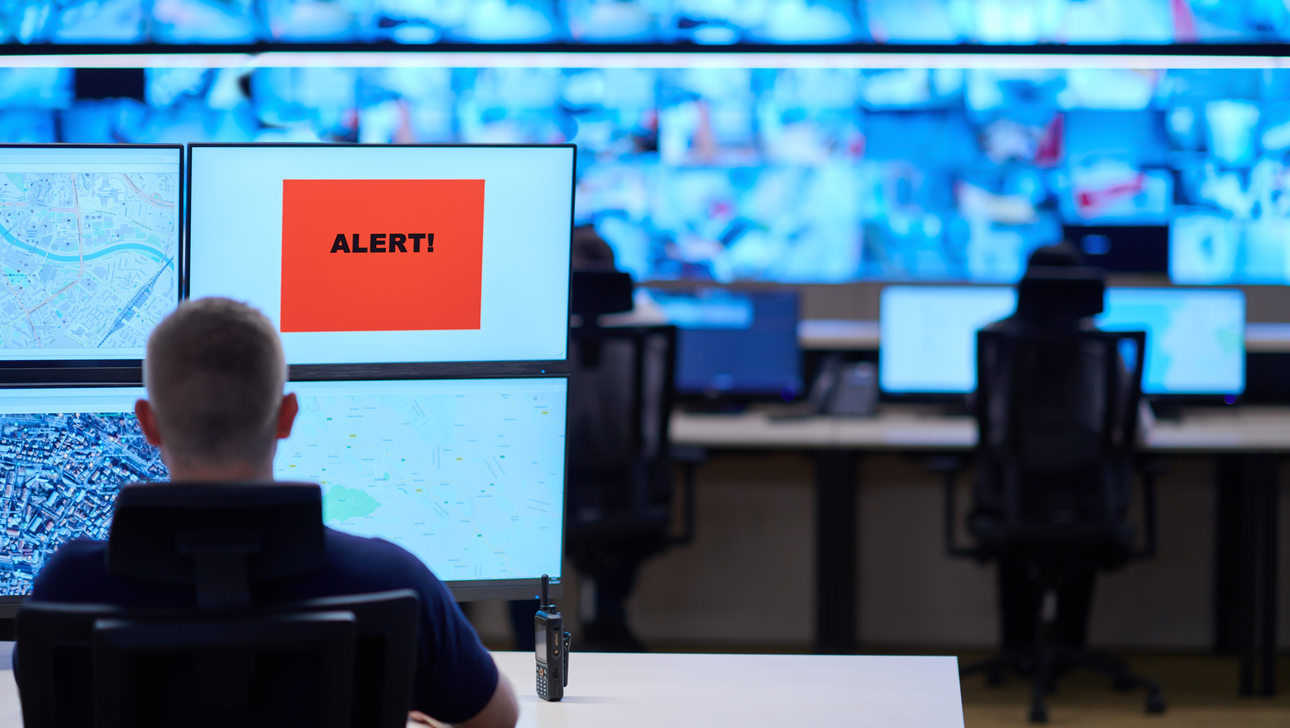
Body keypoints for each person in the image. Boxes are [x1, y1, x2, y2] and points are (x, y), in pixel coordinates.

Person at [22, 298, 519, 728]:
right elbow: (498, 717)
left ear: (148, 425)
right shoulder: (392, 580)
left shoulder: (67, 585)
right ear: (288, 416)